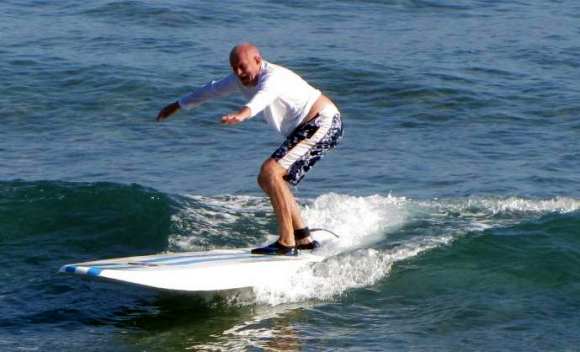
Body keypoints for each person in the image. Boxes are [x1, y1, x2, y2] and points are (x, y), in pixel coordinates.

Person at [156, 43, 343, 256]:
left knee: (271, 172)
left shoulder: (273, 77)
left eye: (243, 66)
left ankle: (287, 242)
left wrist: (243, 114)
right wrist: (177, 105)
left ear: (258, 60)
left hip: (323, 122)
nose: (239, 72)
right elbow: (211, 89)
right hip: (306, 128)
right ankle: (303, 238)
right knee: (267, 179)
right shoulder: (240, 78)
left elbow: (263, 97)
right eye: (234, 68)